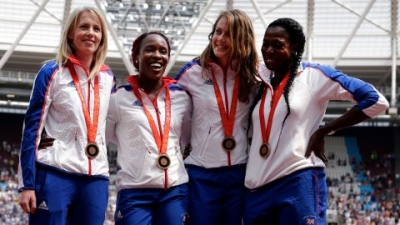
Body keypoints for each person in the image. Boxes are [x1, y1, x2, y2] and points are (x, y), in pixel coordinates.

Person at [243, 17, 389, 225]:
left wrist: (325, 130)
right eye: (265, 44)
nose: (269, 50)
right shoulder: (259, 78)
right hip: (256, 188)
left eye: (278, 45)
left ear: (294, 48)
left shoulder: (315, 76)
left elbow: (376, 100)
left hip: (297, 181)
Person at [18, 6, 116, 225]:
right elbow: (31, 130)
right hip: (55, 172)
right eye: (84, 27)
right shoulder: (51, 72)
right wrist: (28, 184)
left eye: (96, 28)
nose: (91, 32)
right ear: (70, 33)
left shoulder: (109, 78)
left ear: (102, 37)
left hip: (96, 178)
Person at [175, 9, 259, 225]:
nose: (220, 39)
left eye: (228, 34)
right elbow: (169, 112)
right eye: (217, 32)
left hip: (240, 173)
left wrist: (319, 130)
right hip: (201, 173)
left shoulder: (253, 75)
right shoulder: (192, 73)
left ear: (242, 39)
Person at [105, 31, 192, 225]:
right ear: (136, 58)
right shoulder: (118, 98)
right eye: (150, 49)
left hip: (174, 191)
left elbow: (184, 139)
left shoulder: (182, 98)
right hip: (134, 192)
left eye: (163, 51)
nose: (157, 55)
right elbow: (104, 138)